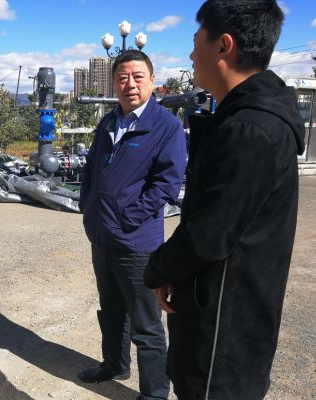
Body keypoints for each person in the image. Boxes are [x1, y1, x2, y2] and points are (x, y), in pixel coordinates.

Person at [143, 1, 305, 399]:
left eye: (195, 40)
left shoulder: (248, 130)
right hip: (226, 320)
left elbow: (208, 235)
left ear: (223, 46)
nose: (191, 54)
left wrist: (157, 269)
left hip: (223, 334)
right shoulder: (248, 119)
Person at [78, 49, 186, 400]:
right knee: (111, 311)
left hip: (137, 243)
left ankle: (154, 394)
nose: (130, 84)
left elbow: (166, 184)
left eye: (138, 77)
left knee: (146, 325)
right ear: (113, 83)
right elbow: (91, 168)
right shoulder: (108, 122)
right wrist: (87, 205)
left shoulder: (166, 126)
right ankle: (114, 365)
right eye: (122, 77)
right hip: (101, 238)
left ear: (152, 81)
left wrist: (128, 217)